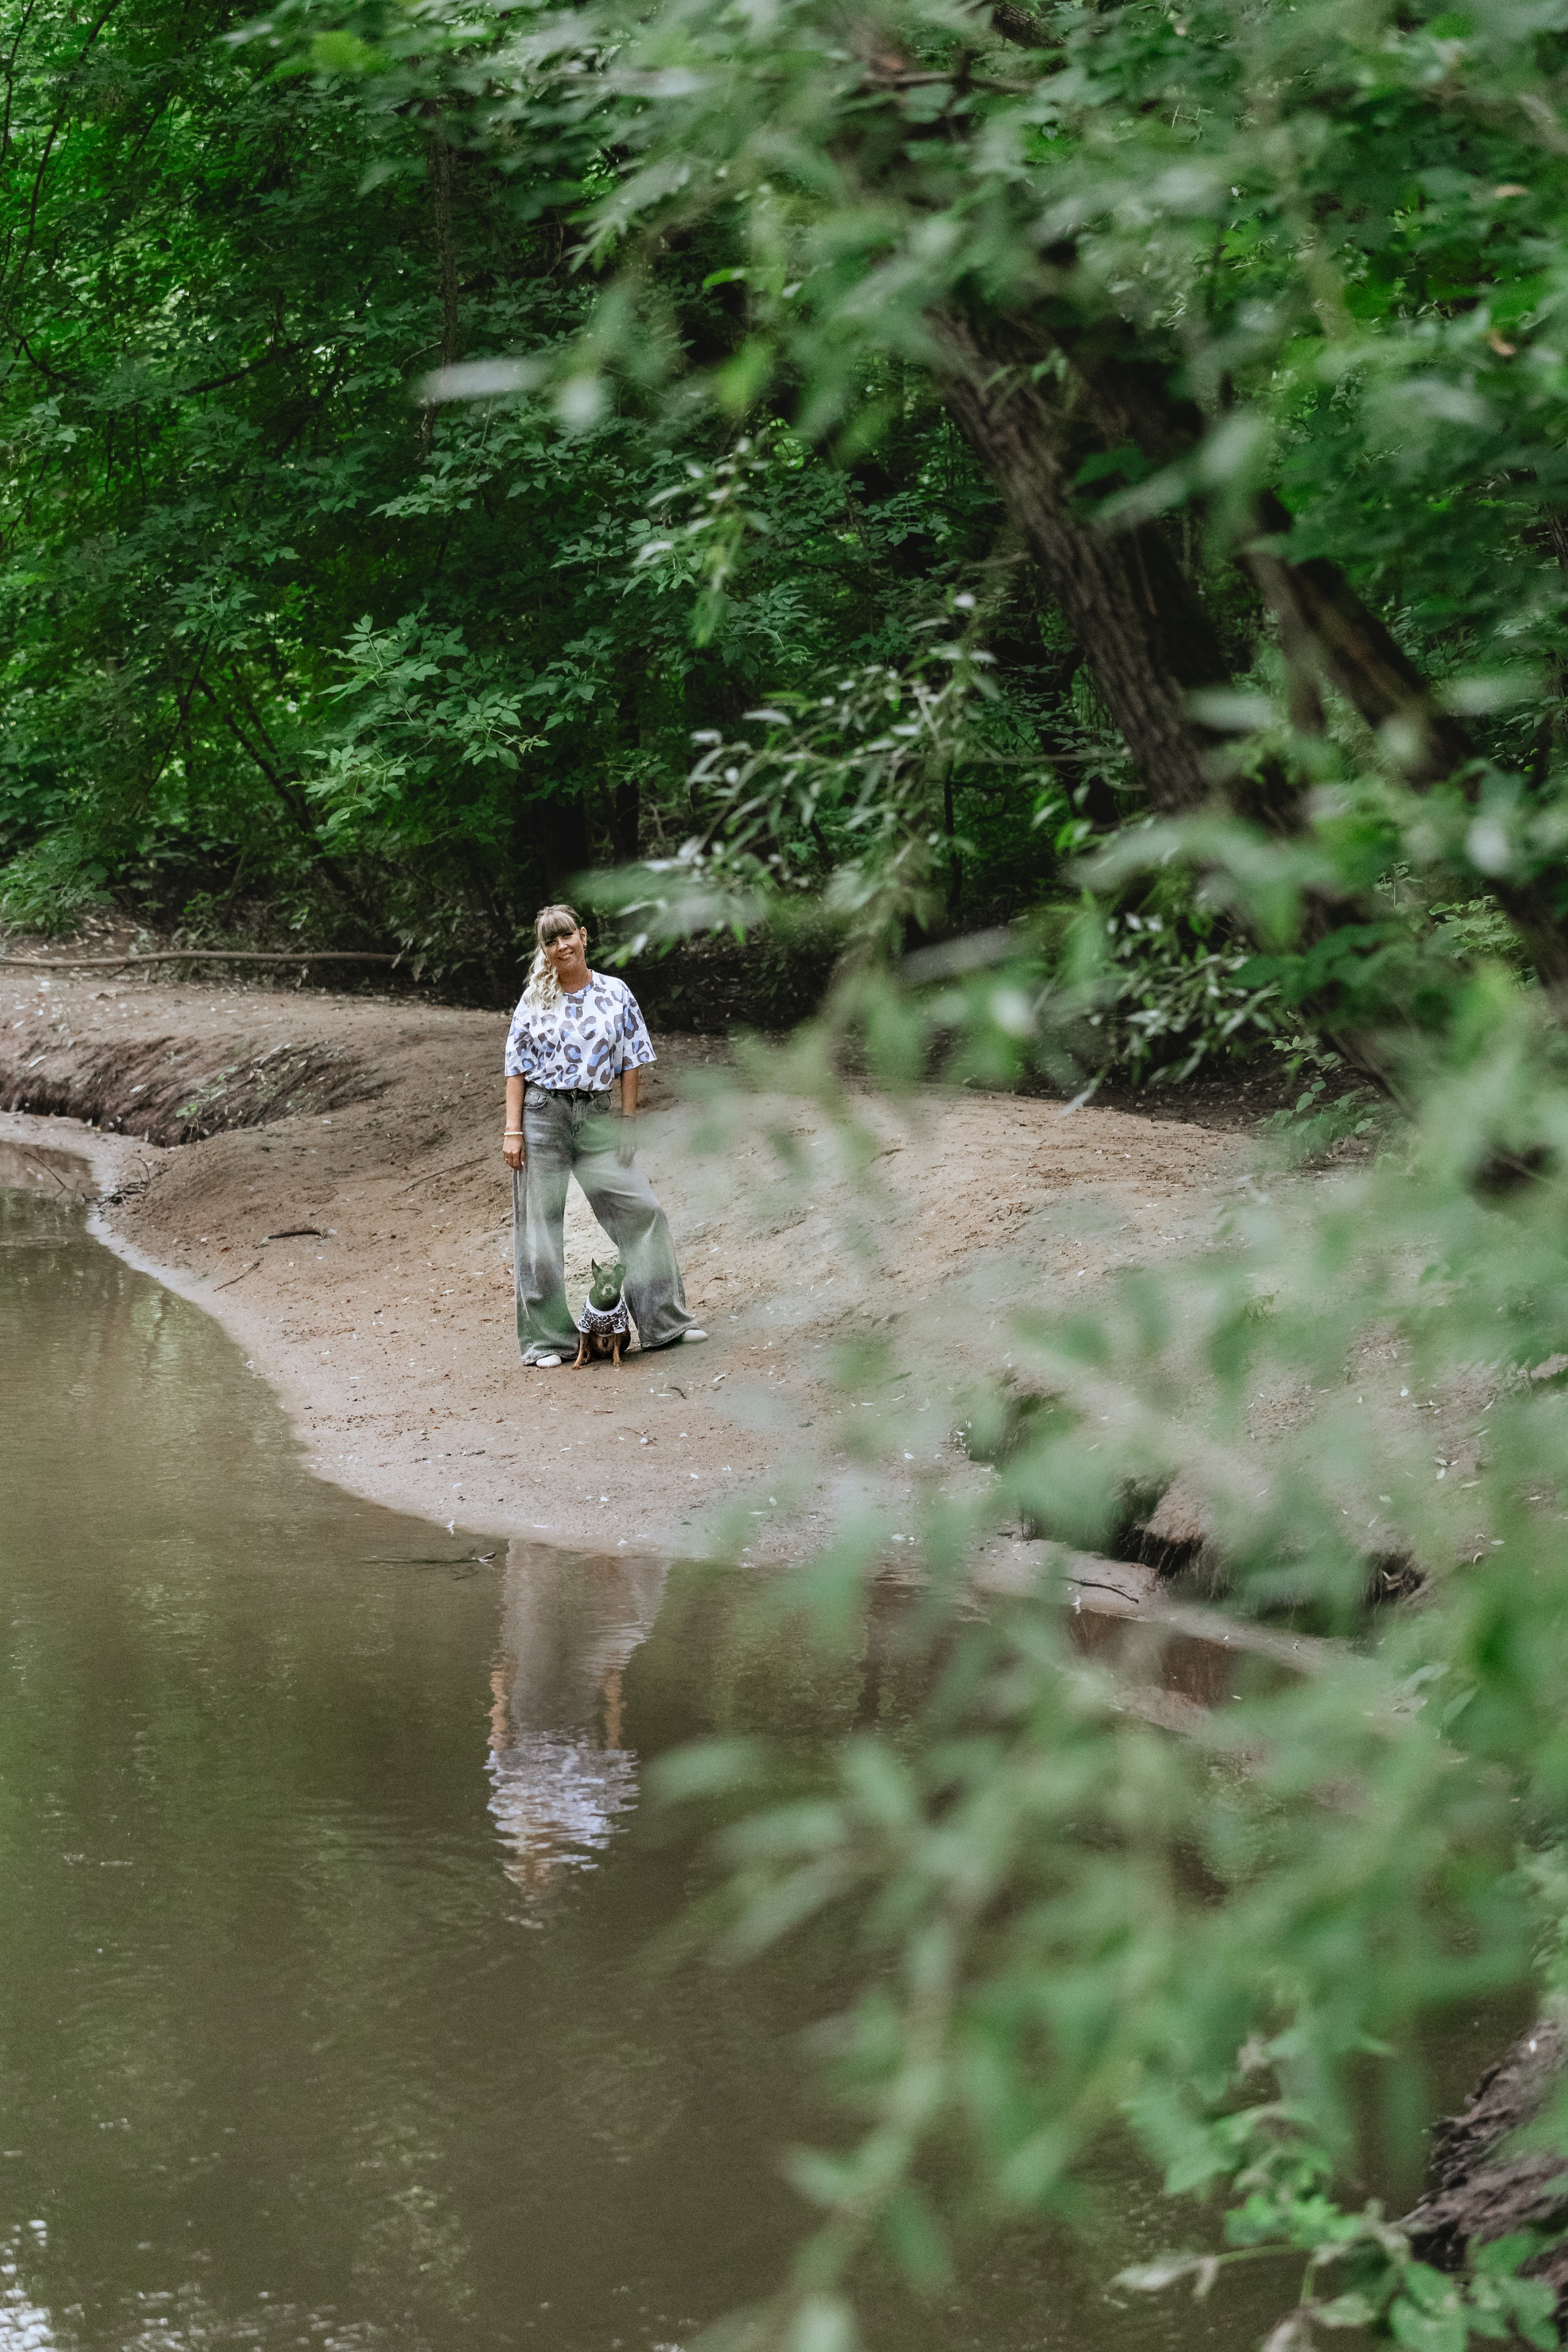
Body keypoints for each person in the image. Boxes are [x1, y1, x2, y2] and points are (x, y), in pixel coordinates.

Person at [502, 904, 706, 1368]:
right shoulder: (535, 997)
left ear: (584, 936)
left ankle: (664, 1323)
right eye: (551, 941)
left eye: (567, 936)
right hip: (542, 1117)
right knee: (541, 1231)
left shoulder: (615, 993)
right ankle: (549, 1342)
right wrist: (513, 1130)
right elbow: (516, 1067)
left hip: (596, 1116)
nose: (562, 946)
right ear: (544, 950)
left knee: (642, 1210)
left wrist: (628, 1120)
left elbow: (632, 1057)